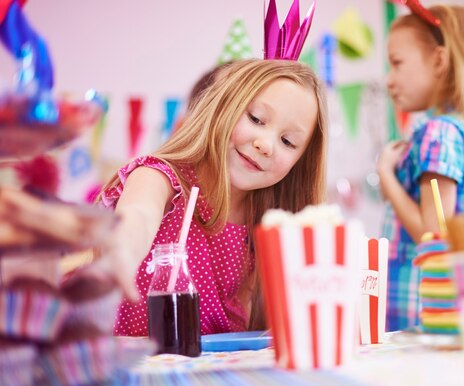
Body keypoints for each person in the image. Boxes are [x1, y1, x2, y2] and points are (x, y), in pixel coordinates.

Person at [95, 58, 328, 336]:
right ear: (222, 107)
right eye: (256, 119)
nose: (265, 145)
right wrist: (121, 251)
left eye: (288, 142)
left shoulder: (266, 221)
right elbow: (139, 215)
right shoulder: (160, 177)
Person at [378, 4, 464, 331]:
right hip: (446, 308)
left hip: (422, 311)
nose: (389, 80)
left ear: (439, 60)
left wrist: (387, 176)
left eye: (397, 64)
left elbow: (433, 235)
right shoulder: (462, 131)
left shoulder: (438, 133)